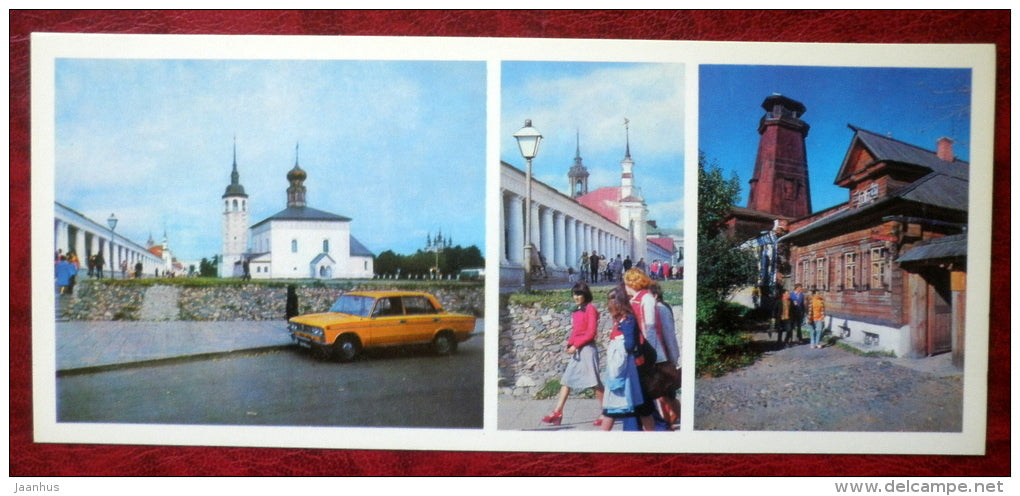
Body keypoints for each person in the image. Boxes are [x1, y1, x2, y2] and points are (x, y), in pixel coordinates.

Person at [541, 282, 605, 426]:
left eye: (579, 294)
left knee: (594, 383)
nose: (576, 297)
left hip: (587, 349)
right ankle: (558, 412)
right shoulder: (576, 310)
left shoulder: (590, 309)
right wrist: (570, 344)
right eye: (575, 294)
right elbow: (576, 331)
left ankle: (606, 412)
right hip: (577, 350)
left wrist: (575, 345)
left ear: (585, 295)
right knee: (566, 380)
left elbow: (591, 332)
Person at [599, 285, 655, 431]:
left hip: (631, 371)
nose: (609, 304)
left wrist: (620, 346)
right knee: (614, 409)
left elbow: (630, 345)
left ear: (620, 303)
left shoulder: (627, 321)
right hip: (623, 371)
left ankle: (655, 441)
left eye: (612, 300)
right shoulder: (622, 319)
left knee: (641, 408)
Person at [649, 283, 682, 426]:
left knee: (666, 394)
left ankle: (673, 420)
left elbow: (668, 334)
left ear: (655, 295)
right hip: (663, 356)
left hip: (665, 357)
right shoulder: (659, 308)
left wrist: (673, 358)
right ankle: (670, 420)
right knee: (663, 394)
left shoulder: (661, 309)